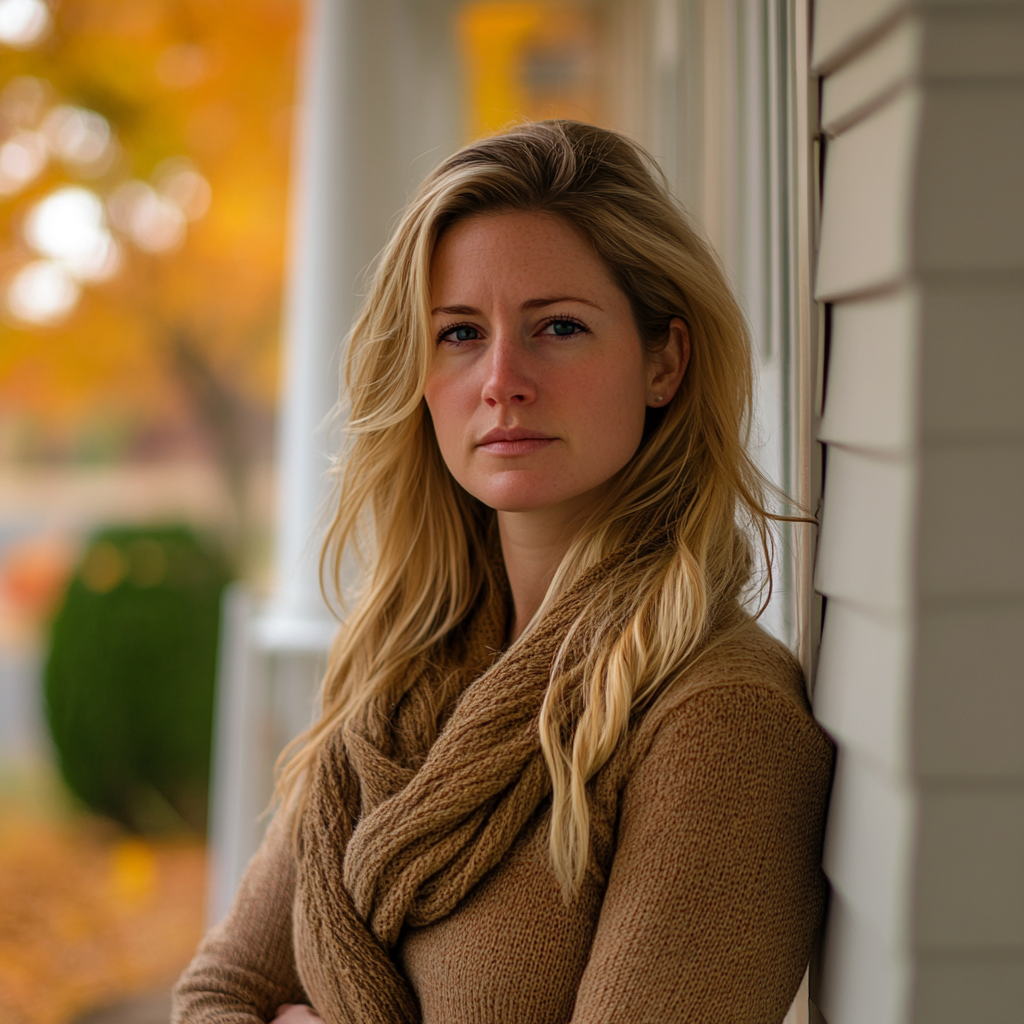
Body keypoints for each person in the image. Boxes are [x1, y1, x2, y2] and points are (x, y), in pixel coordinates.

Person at [172, 120, 833, 1024]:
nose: (502, 380)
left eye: (558, 327)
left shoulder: (717, 720)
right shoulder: (399, 675)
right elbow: (216, 994)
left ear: (664, 361)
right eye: (459, 334)